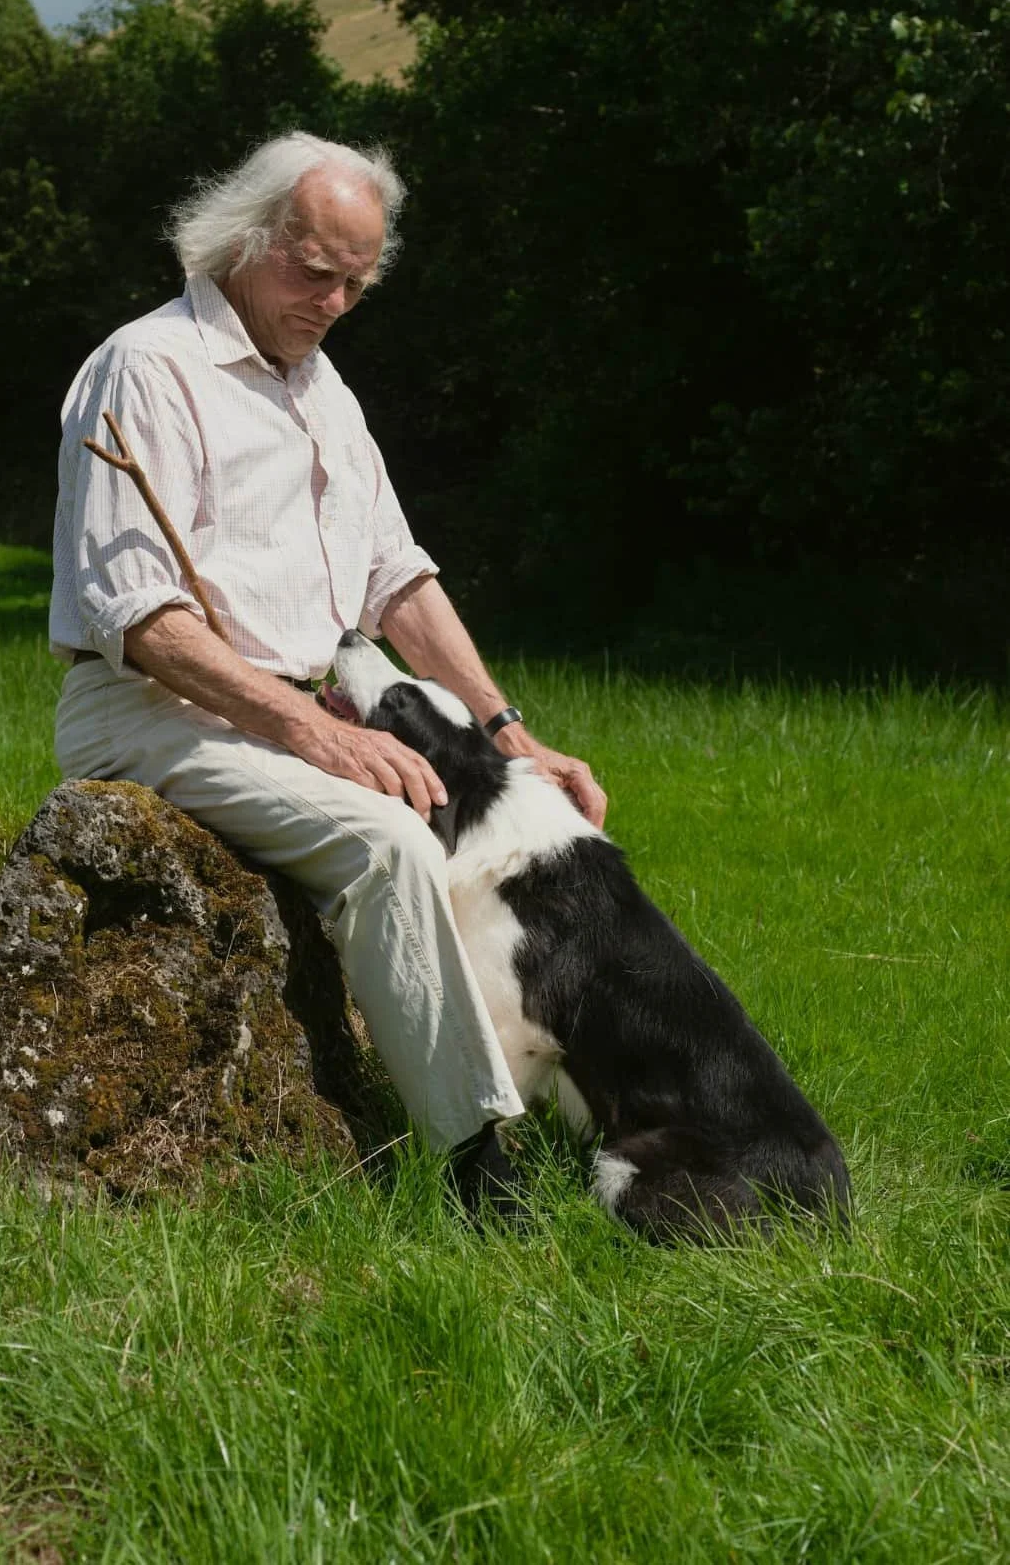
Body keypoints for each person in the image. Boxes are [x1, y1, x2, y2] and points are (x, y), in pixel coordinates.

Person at [50, 131, 607, 1219]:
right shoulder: (146, 369)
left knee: (532, 818)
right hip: (151, 712)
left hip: (292, 708)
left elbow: (396, 579)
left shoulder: (322, 389)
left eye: (358, 281)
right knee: (389, 839)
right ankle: (475, 1164)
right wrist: (319, 735)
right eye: (317, 271)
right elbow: (143, 620)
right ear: (243, 242)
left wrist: (509, 734)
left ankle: (608, 1111)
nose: (337, 299)